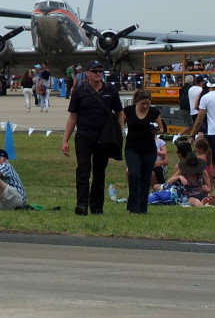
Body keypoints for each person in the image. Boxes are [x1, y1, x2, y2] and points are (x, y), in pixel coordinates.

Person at [62, 59, 124, 216]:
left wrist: (119, 131)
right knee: (83, 170)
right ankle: (81, 204)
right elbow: (72, 117)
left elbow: (120, 113)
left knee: (99, 172)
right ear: (87, 73)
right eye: (95, 71)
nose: (98, 74)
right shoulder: (79, 91)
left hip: (103, 137)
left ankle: (97, 207)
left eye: (100, 71)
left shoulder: (111, 90)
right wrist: (65, 140)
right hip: (84, 136)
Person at [123, 88, 164, 214]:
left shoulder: (154, 112)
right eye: (142, 104)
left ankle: (142, 208)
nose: (145, 106)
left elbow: (162, 128)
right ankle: (133, 206)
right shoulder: (128, 111)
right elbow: (119, 125)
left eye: (148, 103)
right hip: (132, 148)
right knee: (134, 174)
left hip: (149, 149)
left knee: (146, 177)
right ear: (137, 101)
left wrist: (156, 129)